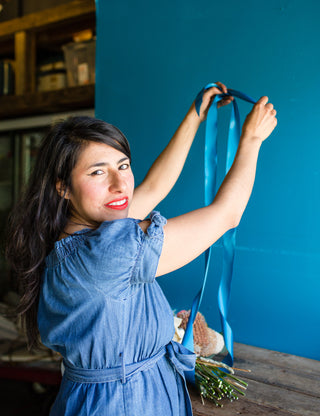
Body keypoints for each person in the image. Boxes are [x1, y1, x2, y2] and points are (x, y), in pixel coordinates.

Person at [5, 83, 277, 416]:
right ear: (62, 187)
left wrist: (195, 115)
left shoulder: (74, 236)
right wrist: (251, 140)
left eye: (123, 165)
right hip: (127, 404)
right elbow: (227, 214)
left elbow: (154, 187)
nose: (120, 184)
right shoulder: (109, 252)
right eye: (97, 172)